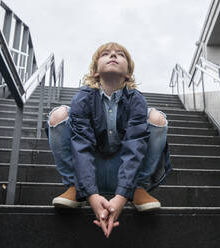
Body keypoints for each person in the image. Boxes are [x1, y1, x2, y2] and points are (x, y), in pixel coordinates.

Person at [46, 42, 172, 238]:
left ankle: (138, 188)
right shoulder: (83, 97)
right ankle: (74, 187)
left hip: (124, 170)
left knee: (156, 118)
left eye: (120, 55)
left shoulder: (136, 100)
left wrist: (122, 196)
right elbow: (81, 146)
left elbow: (135, 146)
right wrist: (91, 194)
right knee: (59, 115)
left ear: (128, 73)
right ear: (96, 71)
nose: (113, 55)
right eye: (106, 54)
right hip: (89, 170)